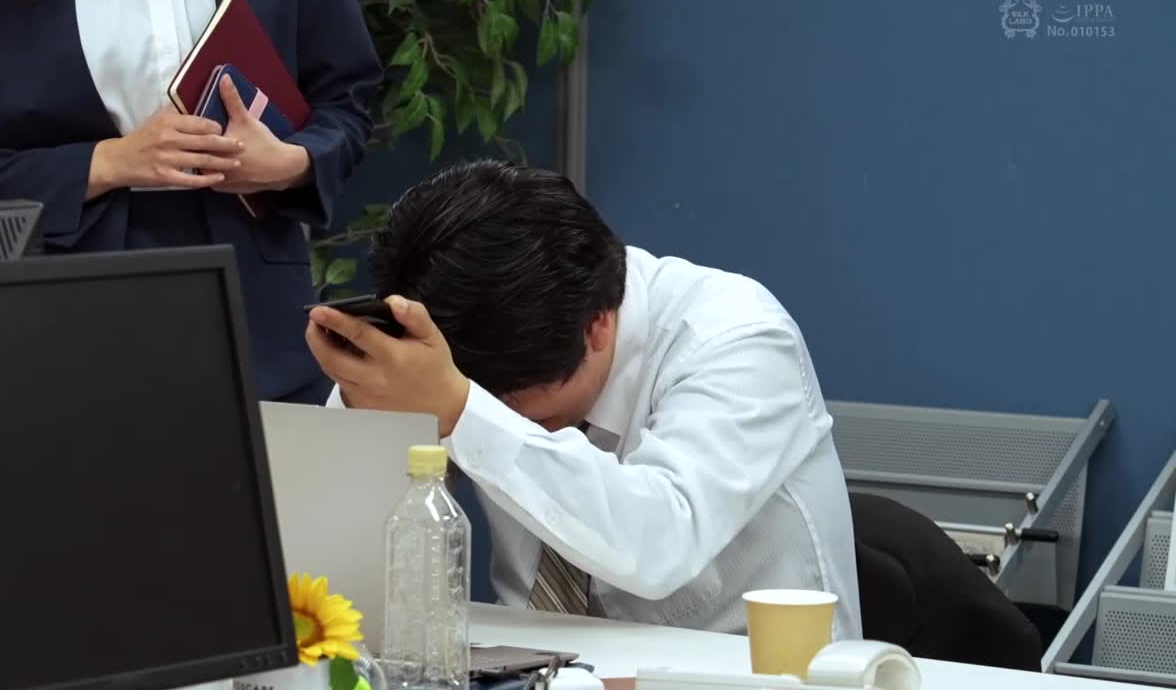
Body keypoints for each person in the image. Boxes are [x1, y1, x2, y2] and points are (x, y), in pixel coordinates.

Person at [306, 159, 863, 639]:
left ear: (598, 326)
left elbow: (660, 543)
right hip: (528, 663)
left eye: (524, 412)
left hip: (738, 670)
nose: (511, 419)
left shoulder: (738, 337)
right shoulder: (449, 348)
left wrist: (465, 412)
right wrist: (368, 408)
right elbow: (345, 559)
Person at [0, 0, 382, 403]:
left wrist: (292, 162)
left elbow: (346, 100)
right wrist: (107, 162)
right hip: (59, 326)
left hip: (261, 323)